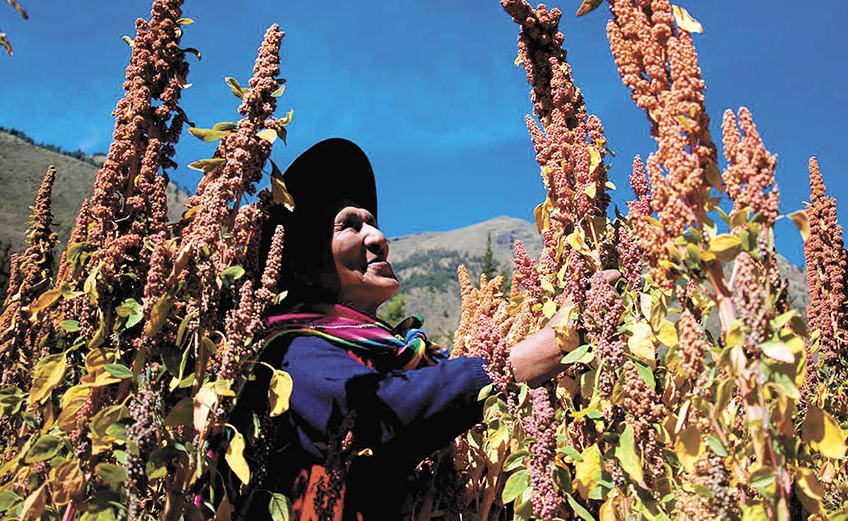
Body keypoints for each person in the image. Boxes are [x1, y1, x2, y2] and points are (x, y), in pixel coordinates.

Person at [232, 138, 606, 520]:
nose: (379, 239)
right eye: (349, 225)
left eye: (373, 224)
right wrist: (525, 358)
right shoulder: (287, 352)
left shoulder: (400, 355)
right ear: (305, 265)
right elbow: (377, 411)